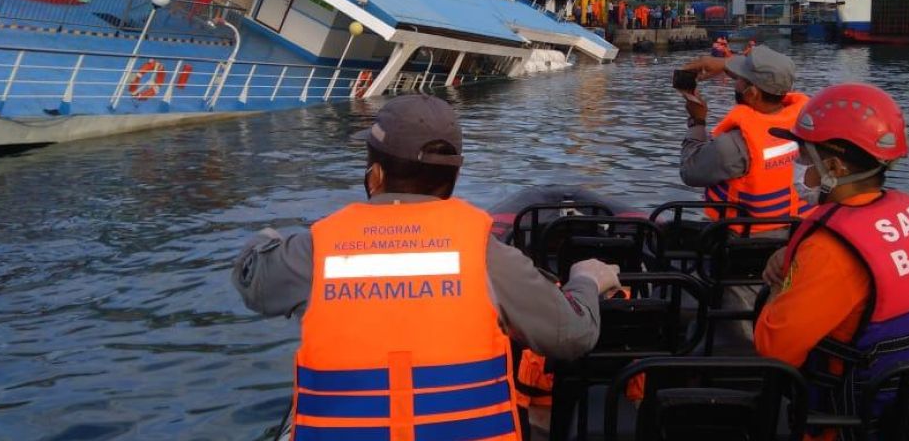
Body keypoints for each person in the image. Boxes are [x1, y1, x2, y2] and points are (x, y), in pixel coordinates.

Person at [232, 94, 622, 441]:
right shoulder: (485, 253)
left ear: (376, 174)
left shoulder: (319, 248)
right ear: (453, 177)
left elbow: (252, 281)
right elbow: (573, 335)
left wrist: (265, 238)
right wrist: (585, 279)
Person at [755, 83, 909, 438]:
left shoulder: (830, 249)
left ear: (834, 166)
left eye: (807, 160)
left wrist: (780, 281)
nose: (803, 174)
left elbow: (773, 351)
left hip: (854, 421)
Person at [678, 45, 809, 226]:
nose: (735, 82)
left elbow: (689, 172)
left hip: (742, 241)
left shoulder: (735, 144)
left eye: (739, 79)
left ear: (752, 93)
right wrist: (725, 64)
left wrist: (696, 121)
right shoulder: (807, 121)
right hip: (795, 229)